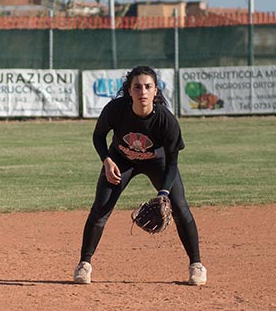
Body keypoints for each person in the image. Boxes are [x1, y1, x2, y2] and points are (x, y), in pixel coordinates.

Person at [74, 65, 205, 287]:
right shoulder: (116, 109)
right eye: (137, 87)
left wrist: (164, 193)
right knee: (100, 209)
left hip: (158, 163)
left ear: (155, 91)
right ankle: (84, 264)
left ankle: (196, 265)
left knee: (180, 207)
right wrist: (107, 160)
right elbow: (98, 136)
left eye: (148, 87)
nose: (142, 92)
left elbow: (172, 162)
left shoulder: (166, 120)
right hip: (121, 160)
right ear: (129, 90)